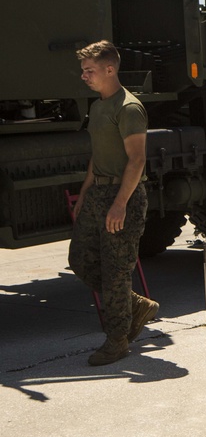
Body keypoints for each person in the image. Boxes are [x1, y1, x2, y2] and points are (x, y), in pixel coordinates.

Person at [69, 40, 159, 366]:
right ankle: (134, 305)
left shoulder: (128, 108)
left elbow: (136, 161)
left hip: (125, 195)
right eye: (83, 71)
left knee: (115, 272)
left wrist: (120, 204)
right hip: (99, 194)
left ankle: (117, 340)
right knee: (80, 259)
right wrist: (85, 194)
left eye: (89, 71)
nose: (84, 76)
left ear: (110, 69)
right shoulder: (98, 107)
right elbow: (98, 156)